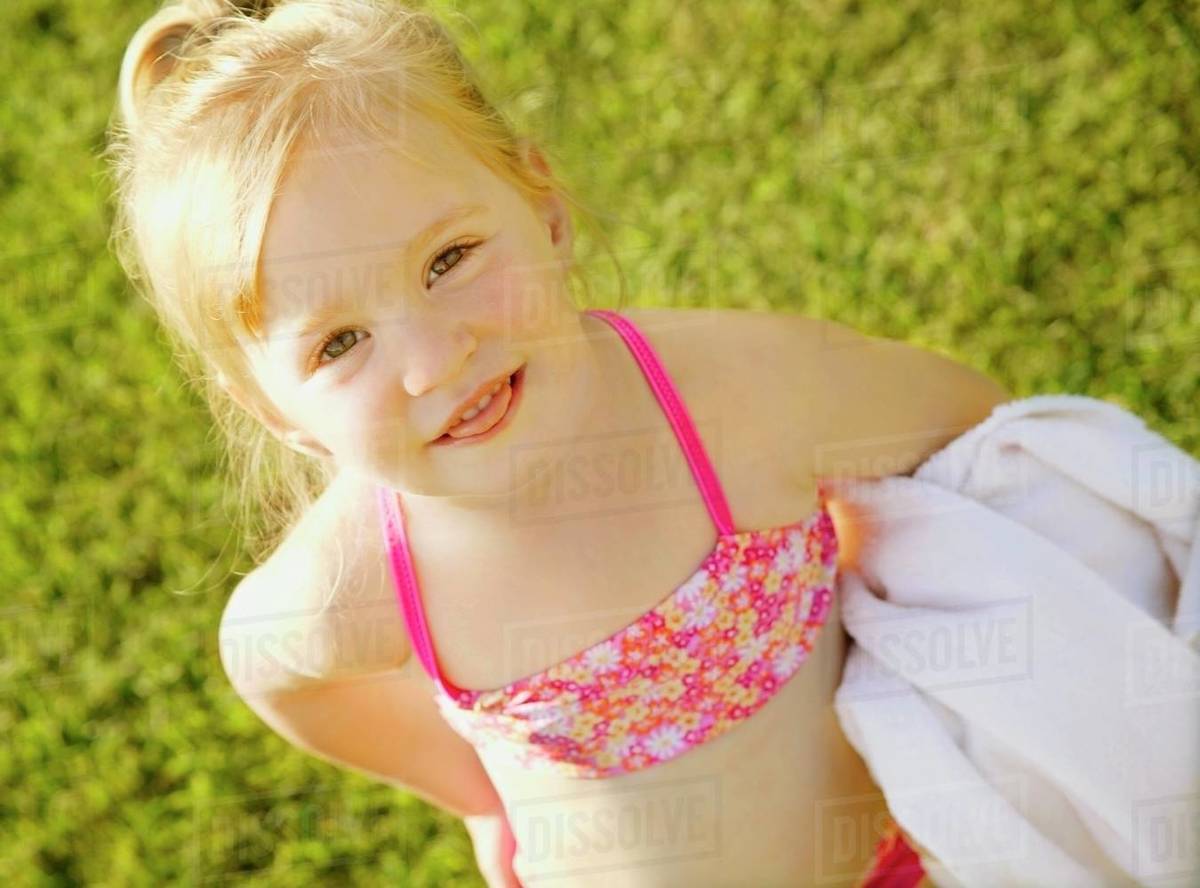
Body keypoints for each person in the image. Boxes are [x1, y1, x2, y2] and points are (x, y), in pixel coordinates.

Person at [106, 2, 1010, 884]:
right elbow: (272, 668)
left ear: (544, 211)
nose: (434, 360)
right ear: (277, 414)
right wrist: (474, 796)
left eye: (448, 259)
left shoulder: (740, 394)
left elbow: (972, 427)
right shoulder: (359, 583)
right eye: (339, 344)